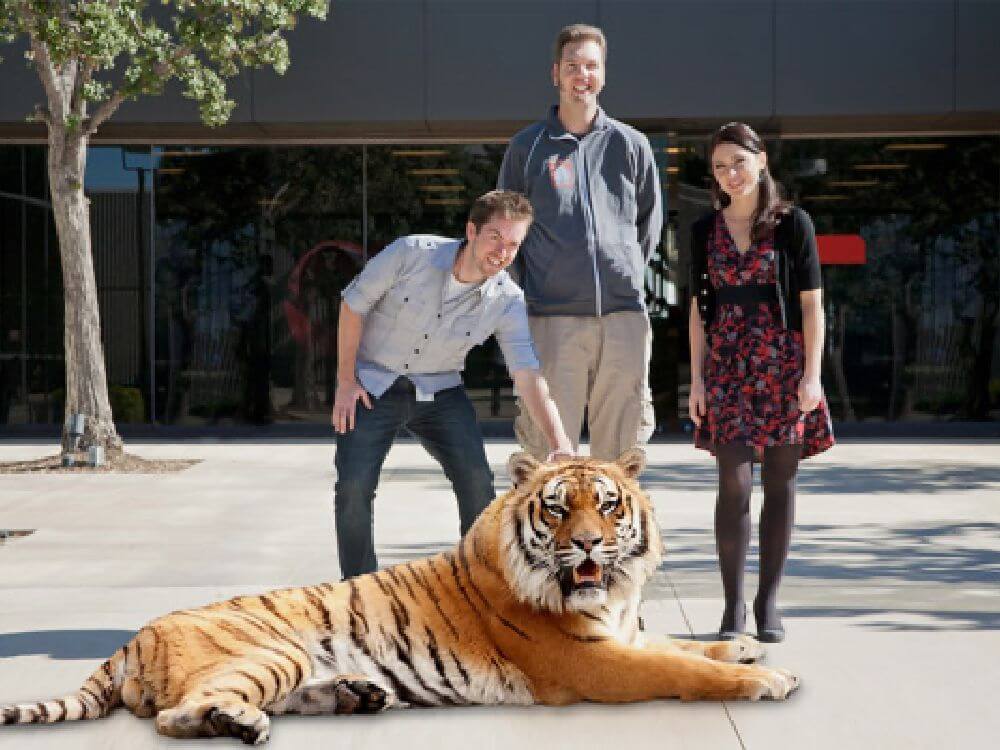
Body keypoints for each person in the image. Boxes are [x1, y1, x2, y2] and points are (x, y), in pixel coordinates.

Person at [331, 190, 574, 579]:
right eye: (495, 237)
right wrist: (345, 381)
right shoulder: (411, 253)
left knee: (478, 482)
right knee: (353, 490)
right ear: (471, 231)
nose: (502, 251)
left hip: (441, 390)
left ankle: (482, 584)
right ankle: (359, 588)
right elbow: (353, 305)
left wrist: (560, 444)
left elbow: (527, 374)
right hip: (374, 383)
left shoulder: (507, 299)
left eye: (513, 244)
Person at [688, 122, 835, 643]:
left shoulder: (793, 224)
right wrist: (697, 381)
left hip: (783, 364)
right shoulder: (704, 229)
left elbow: (812, 305)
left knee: (780, 483)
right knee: (734, 486)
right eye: (721, 166)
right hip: (727, 365)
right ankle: (732, 607)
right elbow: (697, 310)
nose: (731, 174)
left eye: (739, 162)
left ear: (761, 160)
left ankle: (768, 600)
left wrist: (812, 376)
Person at [497, 23, 663, 461]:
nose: (582, 75)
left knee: (620, 458)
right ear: (556, 74)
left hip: (624, 319)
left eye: (591, 66)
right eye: (573, 66)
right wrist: (531, 293)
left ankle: (611, 535)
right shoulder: (527, 148)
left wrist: (623, 270)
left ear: (603, 75)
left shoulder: (632, 146)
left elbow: (648, 224)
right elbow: (505, 231)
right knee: (549, 458)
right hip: (552, 321)